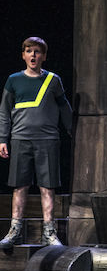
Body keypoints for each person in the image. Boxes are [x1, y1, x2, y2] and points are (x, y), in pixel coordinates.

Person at [0, 37, 72, 248]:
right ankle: (14, 231)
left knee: (47, 187)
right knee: (19, 186)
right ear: (23, 55)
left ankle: (49, 232)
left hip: (47, 140)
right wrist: (3, 139)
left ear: (44, 56)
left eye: (37, 51)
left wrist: (72, 130)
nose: (33, 55)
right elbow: (4, 111)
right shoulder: (13, 80)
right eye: (29, 51)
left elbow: (64, 107)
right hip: (20, 139)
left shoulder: (53, 80)